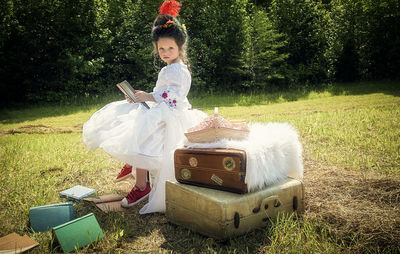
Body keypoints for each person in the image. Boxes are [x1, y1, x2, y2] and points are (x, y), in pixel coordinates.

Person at [82, 0, 206, 214]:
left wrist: (149, 96)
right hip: (165, 109)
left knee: (142, 128)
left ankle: (142, 185)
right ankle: (136, 163)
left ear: (180, 48)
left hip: (172, 114)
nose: (165, 52)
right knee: (131, 113)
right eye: (161, 48)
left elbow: (173, 97)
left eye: (170, 48)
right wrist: (143, 98)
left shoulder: (176, 69)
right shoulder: (172, 67)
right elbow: (162, 93)